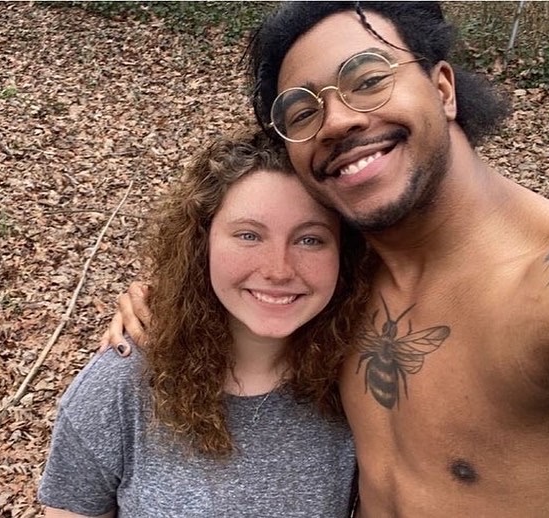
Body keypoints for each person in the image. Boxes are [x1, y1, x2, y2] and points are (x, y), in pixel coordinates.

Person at [105, 2, 549, 516]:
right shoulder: (341, 275)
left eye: (369, 79)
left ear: (443, 89)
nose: (336, 121)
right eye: (303, 113)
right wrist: (164, 303)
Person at [39, 129, 370, 517]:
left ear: (344, 254)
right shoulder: (121, 386)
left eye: (310, 240)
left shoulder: (364, 381)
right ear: (202, 243)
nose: (279, 270)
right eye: (249, 235)